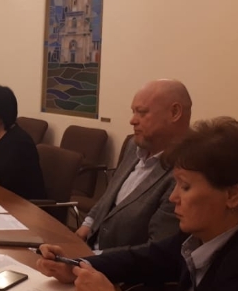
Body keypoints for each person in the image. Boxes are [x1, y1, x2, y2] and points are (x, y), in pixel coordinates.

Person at [35, 118, 238, 291]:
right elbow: (147, 258)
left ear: (233, 195)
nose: (173, 197)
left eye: (185, 186)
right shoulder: (208, 235)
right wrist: (76, 265)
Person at [76, 79, 190, 253]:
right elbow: (110, 195)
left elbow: (156, 250)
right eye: (133, 112)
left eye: (142, 113)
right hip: (89, 249)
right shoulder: (134, 145)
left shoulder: (187, 169)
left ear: (174, 112)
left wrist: (91, 257)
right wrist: (87, 224)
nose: (132, 120)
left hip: (119, 266)